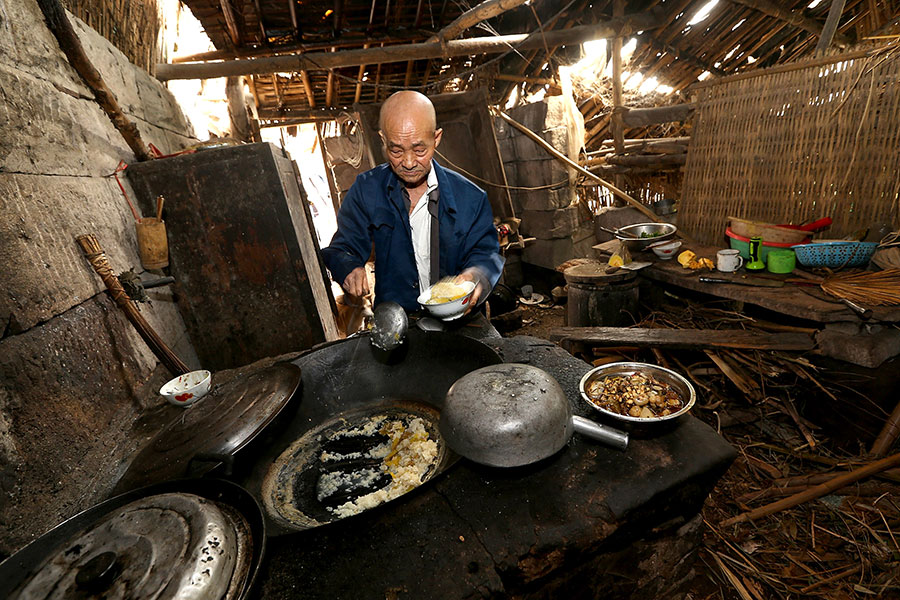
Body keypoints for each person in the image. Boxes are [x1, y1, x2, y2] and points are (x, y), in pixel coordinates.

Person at [321, 90, 504, 313]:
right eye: (396, 150)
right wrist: (348, 268)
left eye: (419, 150)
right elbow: (342, 247)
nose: (408, 162)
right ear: (383, 140)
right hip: (397, 319)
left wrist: (477, 276)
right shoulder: (367, 190)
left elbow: (486, 253)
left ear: (436, 138)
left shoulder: (471, 198)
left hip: (458, 321)